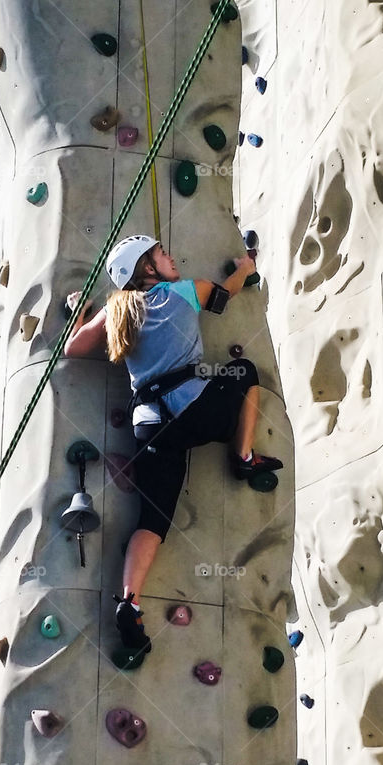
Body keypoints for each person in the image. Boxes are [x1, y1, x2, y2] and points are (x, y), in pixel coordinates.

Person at [64, 234, 282, 656]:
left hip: (149, 425)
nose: (171, 258)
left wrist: (80, 314)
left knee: (153, 519)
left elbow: (74, 349)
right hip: (194, 408)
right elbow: (225, 295)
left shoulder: (116, 312)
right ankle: (244, 456)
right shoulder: (182, 292)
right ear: (148, 269)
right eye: (162, 255)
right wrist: (245, 269)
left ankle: (129, 603)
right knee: (245, 372)